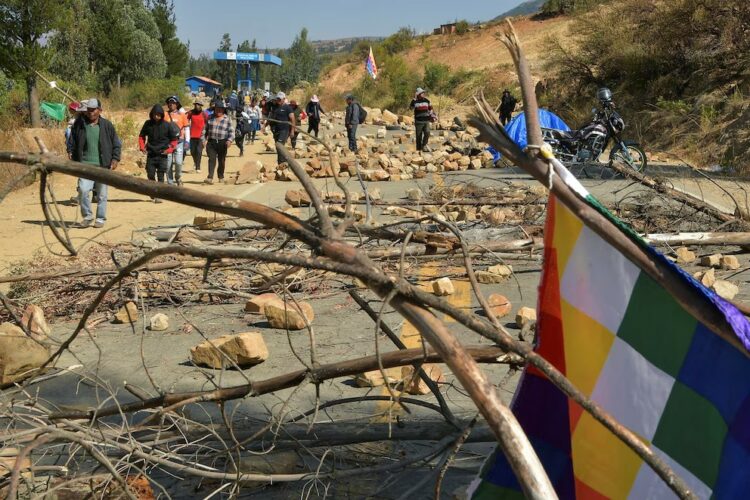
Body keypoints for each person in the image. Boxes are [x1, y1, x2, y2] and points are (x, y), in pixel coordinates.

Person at [69, 98, 121, 228]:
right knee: (83, 190)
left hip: (103, 165)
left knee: (102, 195)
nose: (91, 112)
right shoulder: (79, 125)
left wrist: (115, 159)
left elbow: (116, 143)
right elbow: (72, 141)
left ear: (100, 110)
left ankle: (100, 218)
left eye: (93, 110)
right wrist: (70, 151)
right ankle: (87, 216)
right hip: (85, 165)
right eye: (89, 110)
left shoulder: (107, 125)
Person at [138, 104, 179, 203]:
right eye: (155, 114)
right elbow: (141, 136)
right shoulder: (147, 124)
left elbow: (174, 140)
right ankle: (152, 192)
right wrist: (142, 147)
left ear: (162, 115)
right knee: (150, 174)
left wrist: (169, 150)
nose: (157, 117)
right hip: (151, 154)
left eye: (159, 115)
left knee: (161, 175)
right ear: (151, 114)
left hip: (163, 154)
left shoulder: (167, 125)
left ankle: (159, 195)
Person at [201, 99, 233, 184]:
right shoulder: (210, 118)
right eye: (217, 109)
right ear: (214, 109)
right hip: (211, 142)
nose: (218, 111)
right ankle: (210, 177)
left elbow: (231, 132)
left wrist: (229, 141)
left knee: (221, 160)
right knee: (211, 159)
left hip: (223, 143)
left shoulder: (227, 119)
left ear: (223, 110)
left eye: (220, 109)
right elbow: (204, 130)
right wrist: (203, 140)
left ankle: (221, 176)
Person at [267, 92, 296, 166]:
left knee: (280, 145)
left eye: (280, 99)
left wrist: (292, 131)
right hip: (276, 130)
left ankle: (282, 162)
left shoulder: (288, 108)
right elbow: (271, 118)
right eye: (277, 99)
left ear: (284, 99)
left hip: (284, 130)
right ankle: (281, 162)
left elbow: (292, 119)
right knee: (278, 146)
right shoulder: (275, 107)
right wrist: (265, 125)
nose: (278, 100)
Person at [163, 96, 188, 185]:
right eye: (170, 103)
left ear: (177, 104)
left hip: (179, 142)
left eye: (173, 103)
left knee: (178, 162)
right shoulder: (164, 115)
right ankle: (170, 182)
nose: (171, 104)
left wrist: (187, 141)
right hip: (168, 143)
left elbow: (186, 128)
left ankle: (178, 177)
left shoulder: (182, 115)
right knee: (168, 164)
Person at [410, 87, 434, 152]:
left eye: (423, 92)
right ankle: (419, 150)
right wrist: (414, 99)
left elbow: (431, 108)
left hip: (426, 120)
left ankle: (424, 145)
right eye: (422, 93)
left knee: (427, 132)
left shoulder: (427, 100)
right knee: (418, 136)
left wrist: (431, 114)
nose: (423, 94)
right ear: (418, 94)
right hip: (418, 121)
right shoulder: (415, 101)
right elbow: (411, 108)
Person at [186, 100, 208, 172]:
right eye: (196, 104)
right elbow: (186, 120)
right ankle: (196, 162)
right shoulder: (191, 113)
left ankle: (198, 167)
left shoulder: (204, 114)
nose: (197, 106)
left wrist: (206, 136)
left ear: (201, 106)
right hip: (192, 135)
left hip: (201, 136)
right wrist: (187, 124)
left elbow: (208, 124)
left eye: (198, 105)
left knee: (199, 151)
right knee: (192, 152)